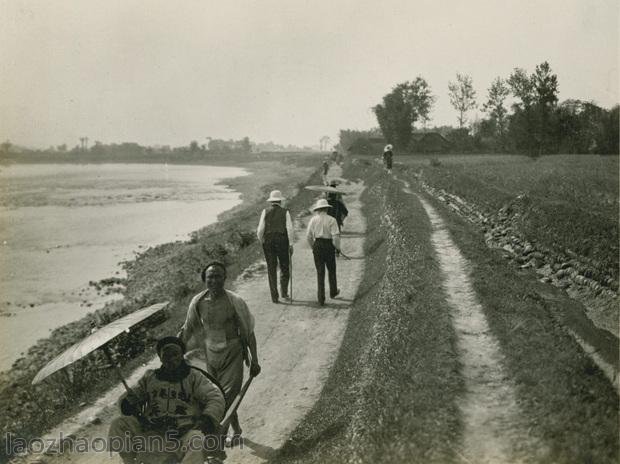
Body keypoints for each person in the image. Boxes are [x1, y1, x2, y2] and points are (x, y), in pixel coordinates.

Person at [179, 262, 261, 448]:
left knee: (225, 399)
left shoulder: (235, 302)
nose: (214, 280)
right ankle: (237, 430)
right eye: (210, 277)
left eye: (218, 276)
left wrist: (254, 360)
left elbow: (248, 332)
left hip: (233, 354)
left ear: (225, 278)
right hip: (211, 356)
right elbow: (188, 329)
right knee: (218, 397)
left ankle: (218, 440)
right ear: (204, 280)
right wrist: (176, 355)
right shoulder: (198, 303)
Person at [108, 336, 226, 464]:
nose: (172, 360)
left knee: (196, 439)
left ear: (182, 355)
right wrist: (129, 402)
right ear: (160, 357)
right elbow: (134, 394)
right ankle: (129, 461)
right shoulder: (150, 377)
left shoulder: (194, 377)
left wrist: (205, 419)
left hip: (182, 434)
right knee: (118, 424)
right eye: (166, 356)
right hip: (153, 434)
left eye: (175, 354)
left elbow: (215, 396)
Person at [256, 190, 294, 303]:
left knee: (271, 268)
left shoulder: (265, 211)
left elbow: (260, 230)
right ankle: (284, 292)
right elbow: (290, 229)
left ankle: (274, 297)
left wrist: (262, 240)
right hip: (282, 241)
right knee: (284, 267)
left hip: (268, 242)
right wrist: (291, 244)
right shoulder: (285, 212)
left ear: (271, 201)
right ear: (280, 201)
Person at [306, 198, 341, 306]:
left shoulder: (313, 220)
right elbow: (335, 237)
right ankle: (333, 292)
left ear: (318, 209)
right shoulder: (332, 220)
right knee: (331, 269)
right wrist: (337, 248)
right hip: (328, 245)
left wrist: (313, 248)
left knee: (320, 272)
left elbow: (308, 237)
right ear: (326, 208)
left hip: (317, 245)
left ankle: (321, 298)